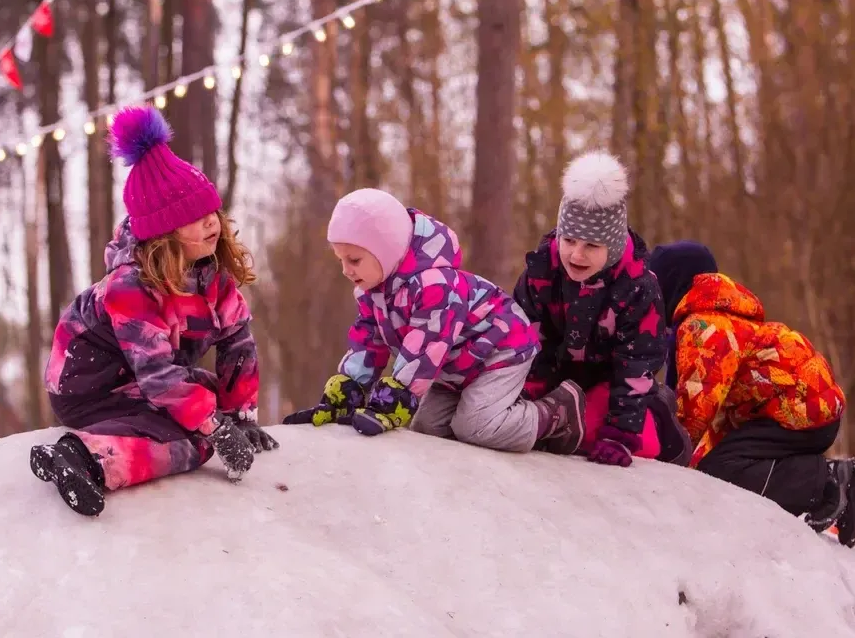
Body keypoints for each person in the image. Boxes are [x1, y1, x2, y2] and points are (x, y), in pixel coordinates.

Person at [29, 106, 277, 518]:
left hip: (139, 379)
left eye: (211, 212)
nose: (210, 223)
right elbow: (160, 377)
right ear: (165, 232)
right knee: (193, 441)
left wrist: (240, 416)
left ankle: (113, 446)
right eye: (193, 218)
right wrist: (215, 429)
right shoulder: (131, 287)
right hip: (89, 388)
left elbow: (239, 344)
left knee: (207, 403)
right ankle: (85, 459)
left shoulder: (212, 277)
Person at [284, 188, 583, 453]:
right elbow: (368, 342)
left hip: (501, 347)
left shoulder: (434, 286)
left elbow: (426, 346)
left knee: (475, 425)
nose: (346, 270)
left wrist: (396, 396)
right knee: (427, 428)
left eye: (354, 260)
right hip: (454, 365)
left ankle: (556, 413)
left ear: (385, 250)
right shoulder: (372, 292)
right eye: (341, 260)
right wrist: (351, 388)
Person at [648, 241, 855, 547]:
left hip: (799, 412)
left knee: (720, 473)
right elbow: (718, 419)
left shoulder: (704, 328)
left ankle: (825, 483)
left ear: (670, 285)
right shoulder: (721, 317)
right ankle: (819, 481)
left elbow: (694, 414)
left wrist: (663, 463)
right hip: (800, 409)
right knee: (717, 464)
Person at [512, 151, 691, 466]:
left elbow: (636, 363)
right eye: (568, 240)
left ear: (613, 246)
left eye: (591, 245)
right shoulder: (542, 273)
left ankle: (661, 420)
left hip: (610, 387)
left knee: (626, 437)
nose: (576, 255)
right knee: (531, 424)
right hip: (556, 378)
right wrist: (520, 393)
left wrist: (620, 434)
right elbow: (522, 340)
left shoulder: (638, 288)